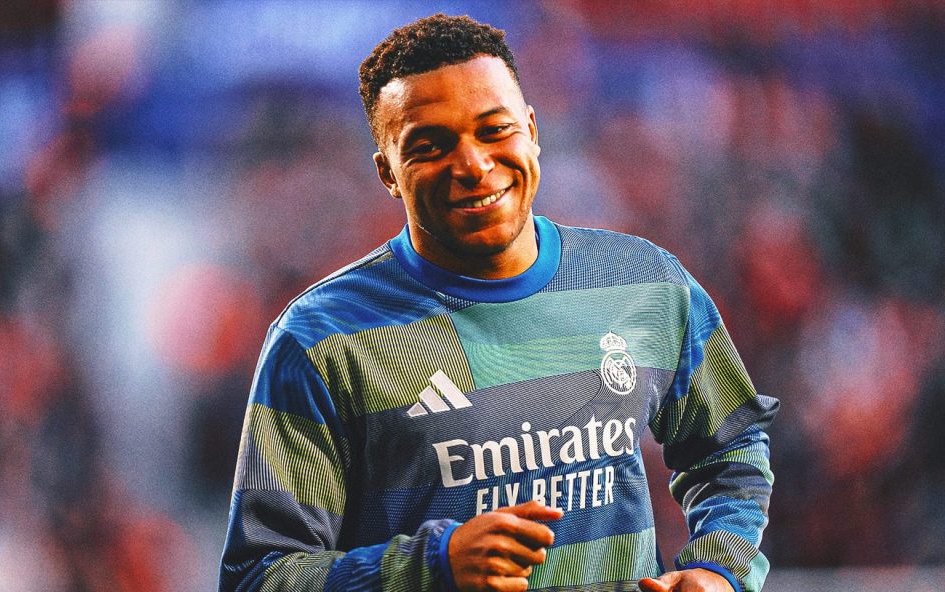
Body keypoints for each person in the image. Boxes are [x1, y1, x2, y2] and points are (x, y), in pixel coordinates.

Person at [219, 13, 778, 592]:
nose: (473, 165)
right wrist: (433, 567)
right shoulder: (320, 339)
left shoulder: (644, 283)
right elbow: (259, 577)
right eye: (430, 146)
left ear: (531, 130)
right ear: (387, 171)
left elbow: (732, 445)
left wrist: (720, 568)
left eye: (494, 130)